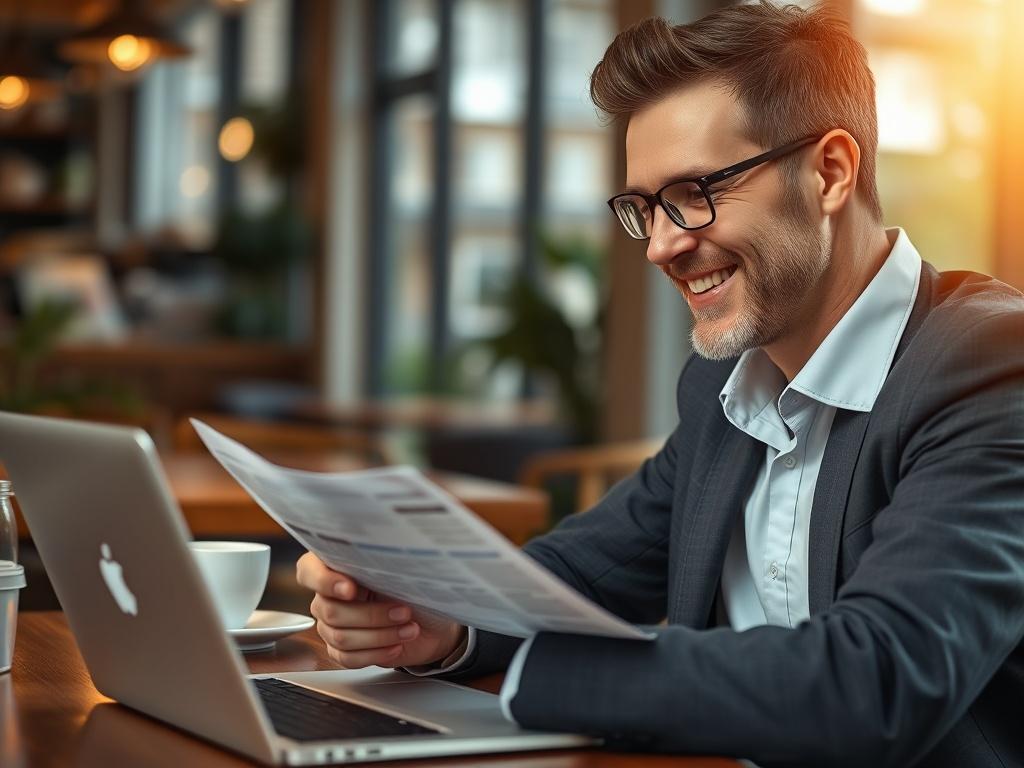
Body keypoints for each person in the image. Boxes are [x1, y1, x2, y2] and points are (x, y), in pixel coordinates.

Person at [297, 3, 1024, 765]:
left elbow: (876, 682)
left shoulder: (989, 367)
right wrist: (435, 614)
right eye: (646, 208)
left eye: (695, 192)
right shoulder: (721, 393)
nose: (664, 245)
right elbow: (582, 574)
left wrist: (546, 673)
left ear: (830, 173)